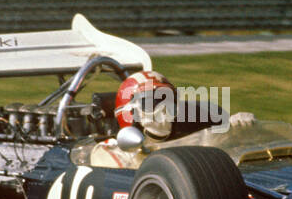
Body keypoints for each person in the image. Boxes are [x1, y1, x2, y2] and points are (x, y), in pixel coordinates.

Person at [88, 70, 255, 167]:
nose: (165, 109)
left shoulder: (186, 140)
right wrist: (146, 142)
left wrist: (236, 132)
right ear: (130, 109)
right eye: (154, 102)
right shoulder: (107, 150)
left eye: (168, 100)